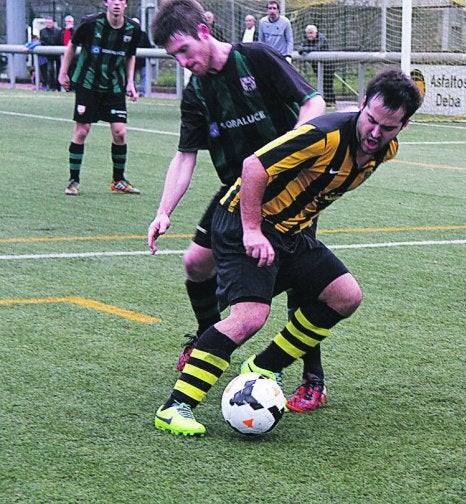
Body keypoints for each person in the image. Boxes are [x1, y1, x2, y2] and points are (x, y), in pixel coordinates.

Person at [153, 68, 423, 436]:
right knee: (249, 317)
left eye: (388, 127)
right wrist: (251, 230)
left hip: (291, 233)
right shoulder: (323, 135)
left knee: (346, 296)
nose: (376, 132)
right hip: (243, 223)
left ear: (404, 125)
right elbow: (254, 166)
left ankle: (264, 366)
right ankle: (175, 407)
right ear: (362, 105)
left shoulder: (385, 150)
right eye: (371, 120)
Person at [147, 0, 326, 410]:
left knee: (300, 280)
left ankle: (312, 377)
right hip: (237, 192)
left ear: (204, 32)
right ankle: (209, 337)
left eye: (184, 50)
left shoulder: (256, 58)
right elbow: (185, 156)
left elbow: (313, 102)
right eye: (174, 56)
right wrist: (163, 210)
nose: (182, 62)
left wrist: (292, 148)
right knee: (196, 263)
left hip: (290, 191)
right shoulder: (196, 93)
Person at [58, 0, 141, 197]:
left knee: (120, 132)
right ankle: (73, 180)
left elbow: (130, 55)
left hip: (114, 86)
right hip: (88, 83)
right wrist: (63, 73)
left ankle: (118, 180)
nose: (117, 4)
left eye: (121, 0)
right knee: (82, 131)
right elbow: (72, 45)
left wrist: (130, 82)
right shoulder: (90, 23)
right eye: (113, 0)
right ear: (106, 3)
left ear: (125, 4)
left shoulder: (133, 29)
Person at [297, 24, 336, 106]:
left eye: (311, 33)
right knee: (320, 82)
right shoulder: (306, 40)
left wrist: (305, 50)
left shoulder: (321, 38)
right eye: (308, 33)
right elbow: (300, 49)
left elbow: (317, 48)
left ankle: (331, 102)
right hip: (316, 65)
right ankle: (324, 101)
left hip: (328, 65)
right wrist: (305, 49)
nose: (310, 35)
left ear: (316, 33)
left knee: (328, 84)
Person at [131, 18, 153, 97]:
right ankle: (132, 91)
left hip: (142, 61)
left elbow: (148, 46)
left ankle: (142, 92)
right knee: (131, 77)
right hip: (131, 60)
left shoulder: (143, 35)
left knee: (144, 76)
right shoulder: (127, 33)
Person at [40, 16, 62, 91]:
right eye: (47, 22)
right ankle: (51, 86)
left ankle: (58, 86)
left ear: (53, 23)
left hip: (57, 54)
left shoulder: (58, 31)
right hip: (48, 55)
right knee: (50, 70)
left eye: (50, 22)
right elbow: (42, 42)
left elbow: (60, 42)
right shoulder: (42, 31)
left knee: (59, 70)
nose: (48, 24)